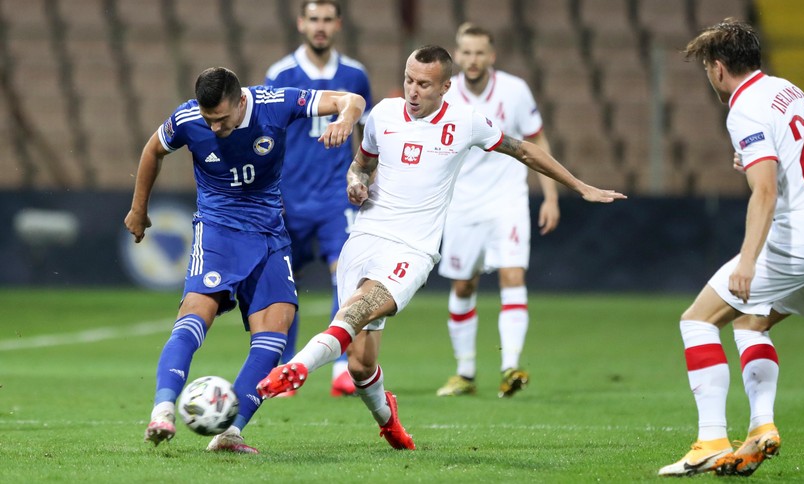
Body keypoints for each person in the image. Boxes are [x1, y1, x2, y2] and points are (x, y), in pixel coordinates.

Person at [256, 45, 625, 450]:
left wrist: (580, 186)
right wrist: (355, 183)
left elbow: (523, 149)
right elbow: (361, 163)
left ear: (446, 87)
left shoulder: (465, 122)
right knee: (361, 364)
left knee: (355, 310)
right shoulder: (383, 115)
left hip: (413, 249)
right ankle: (389, 421)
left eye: (424, 84)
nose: (413, 91)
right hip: (365, 238)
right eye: (408, 80)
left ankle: (296, 368)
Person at [125, 67, 365, 453]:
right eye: (209, 120)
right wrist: (139, 210)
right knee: (195, 314)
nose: (215, 127)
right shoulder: (188, 118)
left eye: (222, 118)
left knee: (275, 333)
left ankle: (230, 433)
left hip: (270, 233)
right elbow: (153, 148)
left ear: (240, 102)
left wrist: (345, 119)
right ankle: (163, 410)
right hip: (218, 229)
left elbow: (349, 100)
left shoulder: (275, 103)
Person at [658, 19, 804, 477]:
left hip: (797, 241)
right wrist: (752, 160)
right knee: (751, 323)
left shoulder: (743, 109)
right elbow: (793, 158)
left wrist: (747, 261)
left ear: (719, 68)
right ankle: (761, 428)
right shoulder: (788, 90)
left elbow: (763, 192)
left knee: (697, 320)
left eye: (708, 67)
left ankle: (710, 440)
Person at [435, 23, 559, 399]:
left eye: (479, 53)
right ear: (458, 56)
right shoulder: (445, 95)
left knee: (511, 274)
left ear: (492, 56)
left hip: (508, 199)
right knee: (464, 284)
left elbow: (536, 138)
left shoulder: (515, 90)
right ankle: (465, 372)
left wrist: (550, 196)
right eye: (466, 52)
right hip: (461, 203)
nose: (473, 60)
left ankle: (511, 367)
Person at [264, 0, 373, 398]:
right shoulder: (280, 74)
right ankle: (284, 365)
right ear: (301, 24)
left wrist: (363, 175)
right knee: (283, 283)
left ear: (338, 24)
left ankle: (341, 366)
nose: (320, 27)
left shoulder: (355, 75)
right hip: (288, 195)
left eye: (327, 19)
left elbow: (367, 134)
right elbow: (267, 134)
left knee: (346, 276)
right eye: (314, 19)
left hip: (335, 196)